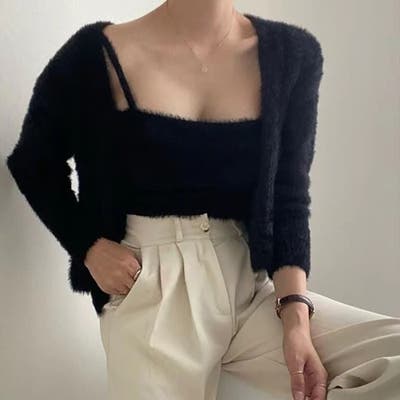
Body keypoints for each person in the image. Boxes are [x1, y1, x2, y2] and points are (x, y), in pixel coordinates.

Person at [6, 1, 400, 399]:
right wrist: (88, 246)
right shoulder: (95, 54)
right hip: (152, 289)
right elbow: (32, 161)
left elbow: (288, 197)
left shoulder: (292, 54)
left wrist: (295, 315)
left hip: (252, 286)